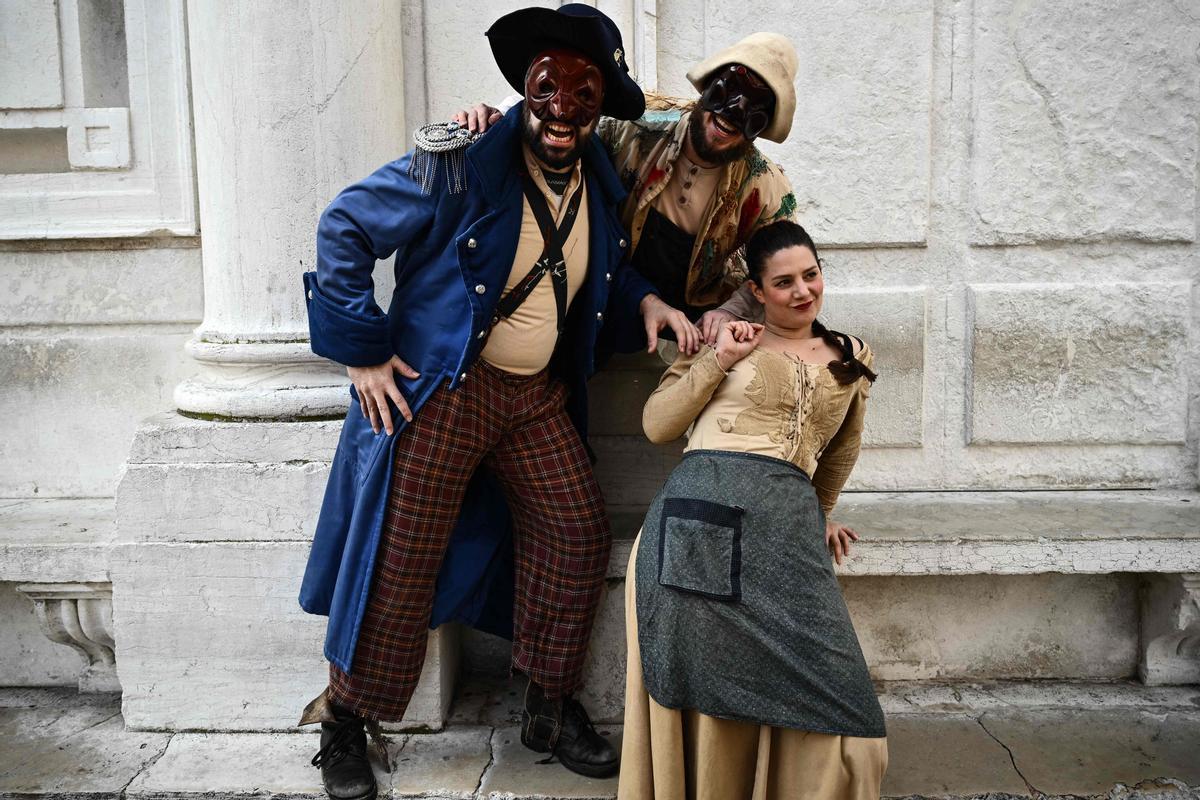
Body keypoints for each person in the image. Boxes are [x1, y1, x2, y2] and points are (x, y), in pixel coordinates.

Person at [295, 6, 699, 798]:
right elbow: (344, 225)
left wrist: (647, 300)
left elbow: (603, 271)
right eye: (549, 86)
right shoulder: (464, 157)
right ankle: (346, 718)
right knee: (399, 554)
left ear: (597, 107)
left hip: (535, 398)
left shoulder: (600, 181)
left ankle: (548, 705)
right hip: (445, 389)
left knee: (576, 532)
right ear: (526, 83)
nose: (561, 109)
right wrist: (363, 349)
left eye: (584, 94)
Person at [619, 220, 887, 799]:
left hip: (784, 533)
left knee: (850, 715)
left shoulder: (850, 354)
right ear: (758, 291)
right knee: (712, 696)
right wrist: (720, 359)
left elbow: (842, 447)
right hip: (694, 530)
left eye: (811, 275)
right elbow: (657, 424)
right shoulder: (727, 339)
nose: (802, 292)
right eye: (784, 282)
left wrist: (820, 512)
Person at [455, 32, 801, 344]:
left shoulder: (765, 187)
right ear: (708, 87)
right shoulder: (643, 121)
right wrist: (498, 117)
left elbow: (787, 266)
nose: (734, 111)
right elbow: (566, 107)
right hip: (607, 286)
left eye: (755, 108)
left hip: (693, 316)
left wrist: (730, 311)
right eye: (728, 90)